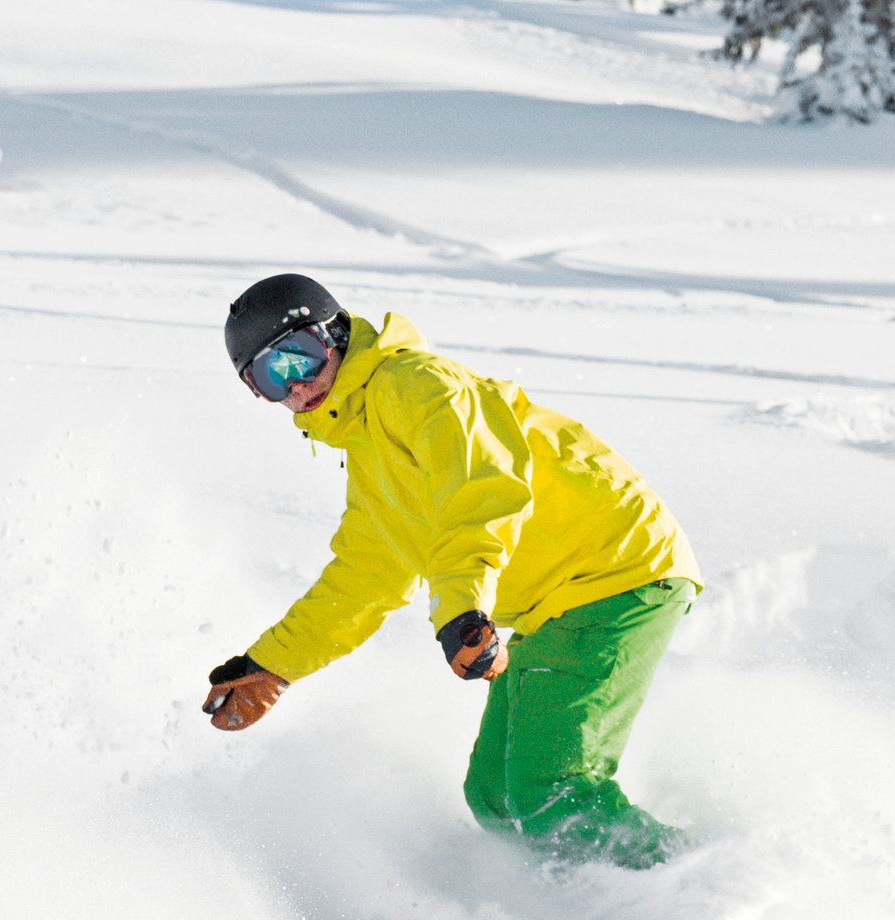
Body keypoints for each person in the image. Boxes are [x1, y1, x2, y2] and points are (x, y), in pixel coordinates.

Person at [201, 273, 700, 868]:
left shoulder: (416, 386)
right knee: (494, 797)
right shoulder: (368, 448)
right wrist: (273, 664)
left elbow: (482, 490)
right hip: (556, 602)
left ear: (333, 332)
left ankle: (697, 885)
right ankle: (574, 912)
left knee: (552, 793)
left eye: (299, 356)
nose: (297, 385)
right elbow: (368, 575)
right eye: (268, 377)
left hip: (616, 572)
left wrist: (462, 606)